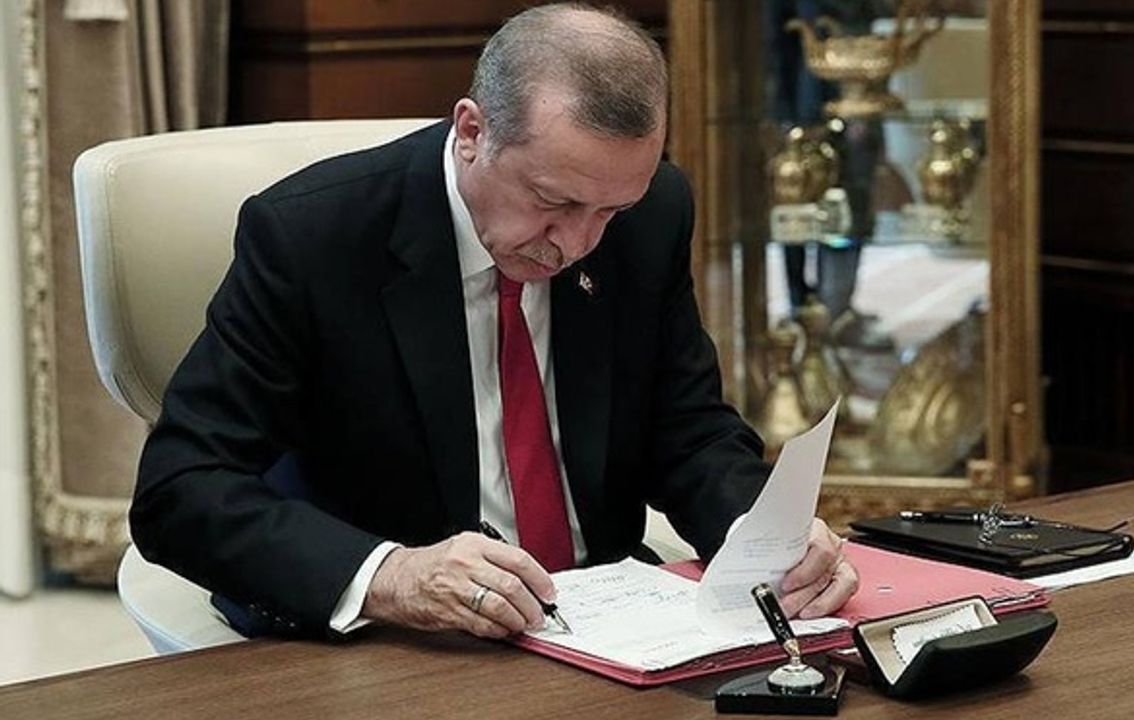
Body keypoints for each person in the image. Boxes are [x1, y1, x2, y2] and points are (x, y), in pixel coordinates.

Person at [132, 2, 858, 641]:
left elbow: (688, 429)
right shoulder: (313, 239)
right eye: (553, 202)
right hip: (401, 640)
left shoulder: (652, 212)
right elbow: (182, 488)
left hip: (609, 626)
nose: (577, 244)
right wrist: (392, 576)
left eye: (610, 211)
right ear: (472, 131)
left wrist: (759, 536)